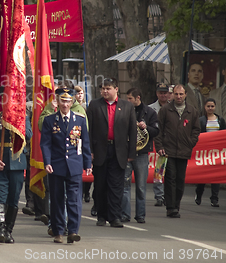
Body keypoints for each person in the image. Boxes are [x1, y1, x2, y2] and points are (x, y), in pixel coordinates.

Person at [41, 88, 91, 243]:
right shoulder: (50, 120)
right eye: (62, 101)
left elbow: (85, 143)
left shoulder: (80, 119)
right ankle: (58, 231)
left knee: (74, 199)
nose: (65, 104)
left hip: (75, 164)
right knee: (57, 199)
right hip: (56, 165)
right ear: (58, 101)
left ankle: (73, 230)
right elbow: (46, 144)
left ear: (72, 102)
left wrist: (88, 162)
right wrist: (47, 162)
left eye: (68, 101)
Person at [0, 99, 32, 244]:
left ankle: (9, 229)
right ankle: (1, 229)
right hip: (0, 164)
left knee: (14, 199)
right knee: (1, 197)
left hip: (17, 163)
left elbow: (28, 135)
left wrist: (16, 121)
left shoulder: (23, 118)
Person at [87, 78, 136, 228]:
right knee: (100, 185)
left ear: (116, 89)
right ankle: (101, 215)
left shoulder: (127, 106)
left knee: (116, 185)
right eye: (103, 88)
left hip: (119, 150)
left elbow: (132, 131)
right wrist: (90, 151)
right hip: (100, 150)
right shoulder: (95, 105)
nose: (105, 91)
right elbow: (88, 130)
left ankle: (115, 216)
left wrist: (131, 152)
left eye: (108, 88)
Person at [154, 84, 200, 218]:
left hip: (184, 150)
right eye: (176, 94)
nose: (178, 96)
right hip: (168, 150)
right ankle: (170, 207)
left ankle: (176, 205)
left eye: (181, 94)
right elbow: (159, 130)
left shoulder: (192, 111)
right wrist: (160, 147)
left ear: (185, 94)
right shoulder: (165, 110)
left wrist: (191, 142)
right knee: (170, 179)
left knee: (180, 180)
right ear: (172, 94)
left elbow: (196, 130)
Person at [121, 88, 159, 223]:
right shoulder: (124, 110)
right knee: (125, 186)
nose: (128, 101)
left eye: (130, 98)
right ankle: (125, 214)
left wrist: (146, 127)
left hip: (141, 154)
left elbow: (156, 130)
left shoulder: (150, 112)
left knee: (141, 187)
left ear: (138, 98)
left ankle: (140, 215)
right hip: (126, 152)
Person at [195, 98, 225, 207]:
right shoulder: (201, 120)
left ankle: (214, 199)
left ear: (215, 107)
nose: (210, 108)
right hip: (204, 152)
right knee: (202, 176)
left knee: (215, 175)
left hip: (217, 153)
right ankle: (198, 195)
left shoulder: (220, 120)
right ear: (205, 107)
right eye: (208, 106)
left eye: (212, 106)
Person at [148, 83, 170, 207]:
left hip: (169, 142)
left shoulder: (172, 107)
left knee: (169, 172)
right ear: (157, 94)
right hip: (155, 142)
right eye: (160, 93)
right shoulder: (150, 109)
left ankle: (168, 195)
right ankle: (159, 196)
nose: (163, 95)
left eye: (165, 92)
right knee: (158, 170)